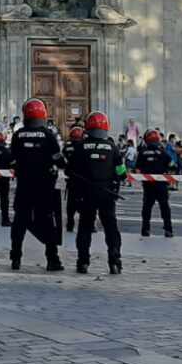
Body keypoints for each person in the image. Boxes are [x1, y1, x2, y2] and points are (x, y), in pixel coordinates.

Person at [8, 98, 64, 272]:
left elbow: (13, 158)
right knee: (48, 221)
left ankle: (15, 257)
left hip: (24, 186)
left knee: (19, 222)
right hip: (44, 186)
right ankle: (52, 259)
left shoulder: (18, 135)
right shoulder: (48, 135)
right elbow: (58, 159)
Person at [72, 111, 126, 274]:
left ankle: (83, 262)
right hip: (107, 193)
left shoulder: (80, 147)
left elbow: (70, 170)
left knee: (85, 227)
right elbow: (121, 171)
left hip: (86, 193)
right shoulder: (112, 147)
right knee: (111, 227)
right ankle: (114, 260)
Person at [135, 129, 174, 238]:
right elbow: (172, 164)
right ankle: (168, 229)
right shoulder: (162, 152)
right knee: (164, 207)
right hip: (161, 184)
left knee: (147, 207)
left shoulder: (142, 152)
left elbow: (137, 169)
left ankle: (145, 229)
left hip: (148, 185)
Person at [62, 126, 86, 233]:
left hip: (71, 180)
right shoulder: (85, 147)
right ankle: (86, 225)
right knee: (85, 204)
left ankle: (70, 224)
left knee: (70, 204)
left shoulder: (67, 147)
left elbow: (63, 161)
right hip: (84, 181)